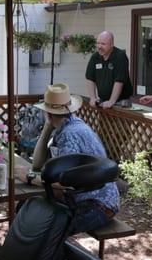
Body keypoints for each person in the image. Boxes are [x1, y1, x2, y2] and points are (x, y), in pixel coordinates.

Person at [28, 83, 120, 234]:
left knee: (44, 228)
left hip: (98, 205)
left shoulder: (69, 134)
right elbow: (37, 164)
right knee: (32, 210)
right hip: (90, 200)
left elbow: (64, 184)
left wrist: (30, 179)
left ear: (48, 113)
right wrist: (47, 128)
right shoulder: (67, 126)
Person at [85, 31, 133, 109]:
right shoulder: (95, 57)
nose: (99, 46)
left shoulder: (120, 56)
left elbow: (119, 81)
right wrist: (93, 97)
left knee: (119, 121)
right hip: (103, 101)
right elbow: (90, 78)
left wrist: (111, 101)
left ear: (111, 44)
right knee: (103, 121)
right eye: (98, 43)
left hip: (121, 101)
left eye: (103, 44)